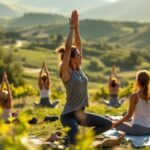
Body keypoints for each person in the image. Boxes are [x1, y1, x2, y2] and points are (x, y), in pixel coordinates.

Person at [56, 10, 112, 144]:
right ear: (71, 58)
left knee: (107, 124)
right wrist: (70, 28)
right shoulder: (66, 72)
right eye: (78, 55)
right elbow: (69, 48)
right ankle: (66, 139)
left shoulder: (79, 69)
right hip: (68, 116)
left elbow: (78, 45)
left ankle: (82, 140)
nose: (81, 56)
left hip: (80, 114)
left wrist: (77, 27)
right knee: (76, 144)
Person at [112, 70, 150, 135]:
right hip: (149, 129)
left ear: (137, 81)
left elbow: (129, 115)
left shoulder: (134, 96)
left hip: (139, 129)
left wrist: (116, 124)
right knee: (124, 122)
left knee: (117, 125)